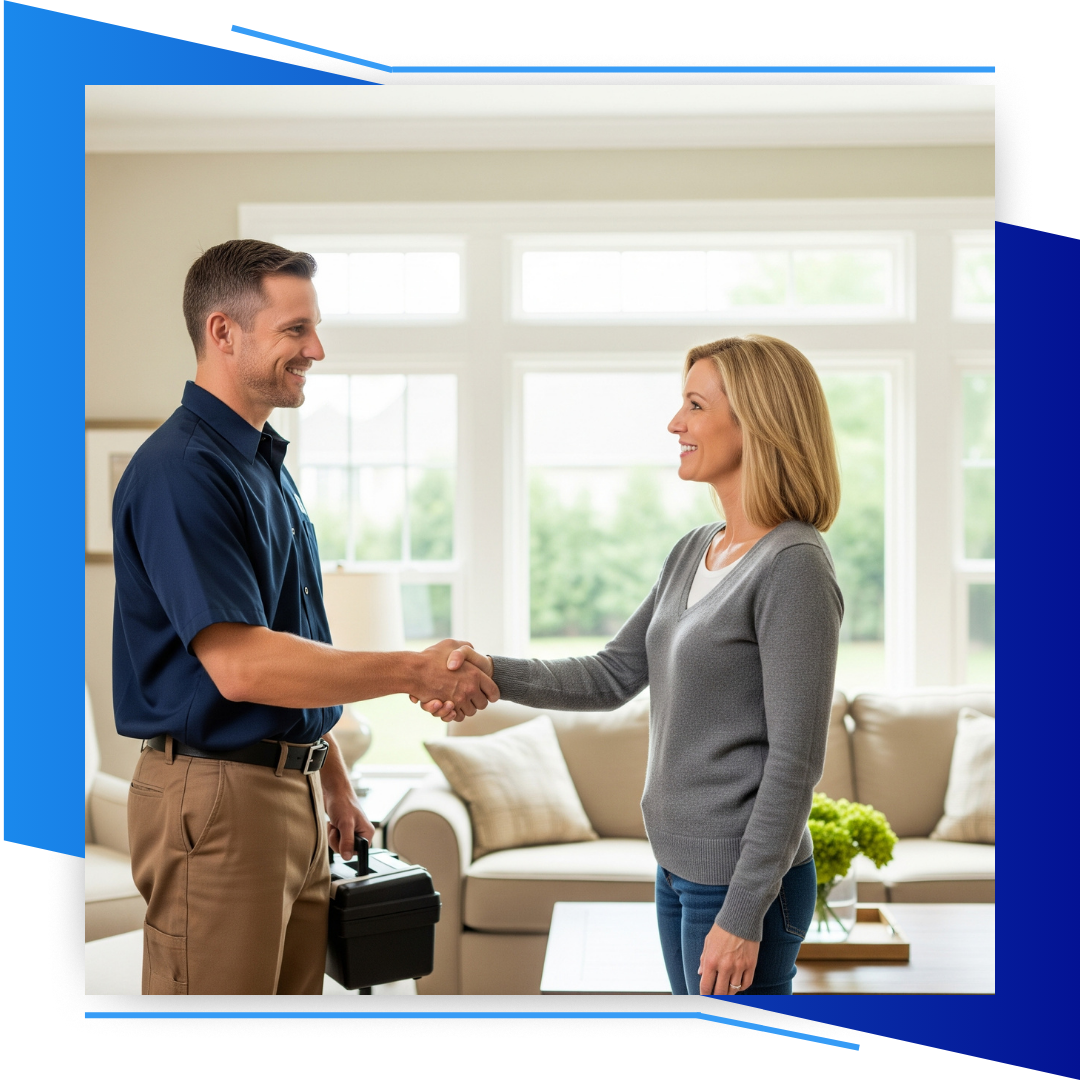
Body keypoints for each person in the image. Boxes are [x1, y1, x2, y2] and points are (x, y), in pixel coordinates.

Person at [112, 239, 497, 995]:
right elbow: (242, 665)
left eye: (313, 328)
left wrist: (333, 776)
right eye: (296, 329)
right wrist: (412, 670)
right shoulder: (184, 471)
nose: (316, 349)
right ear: (223, 332)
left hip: (289, 788)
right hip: (217, 796)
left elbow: (291, 641)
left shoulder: (260, 466)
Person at [421, 335, 842, 996]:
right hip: (678, 867)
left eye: (695, 405)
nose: (675, 423)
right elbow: (611, 674)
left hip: (739, 883)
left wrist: (742, 913)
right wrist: (488, 670)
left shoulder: (794, 566)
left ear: (755, 422)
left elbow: (795, 761)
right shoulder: (695, 550)